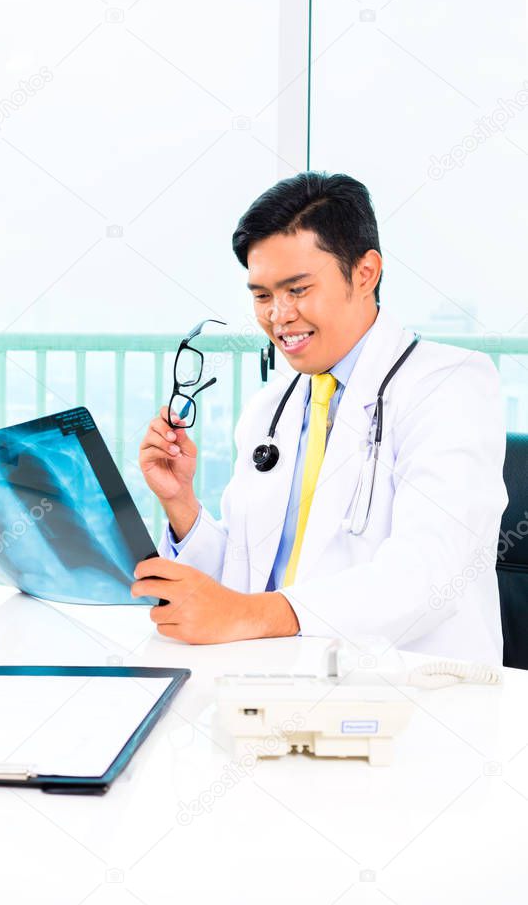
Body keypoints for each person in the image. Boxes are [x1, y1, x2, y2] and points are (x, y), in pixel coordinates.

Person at [131, 172, 507, 662]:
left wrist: (251, 615)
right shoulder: (272, 407)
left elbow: (427, 576)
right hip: (274, 679)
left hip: (412, 695)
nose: (278, 316)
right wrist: (182, 505)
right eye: (262, 295)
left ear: (365, 273)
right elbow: (244, 585)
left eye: (298, 289)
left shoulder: (450, 384)